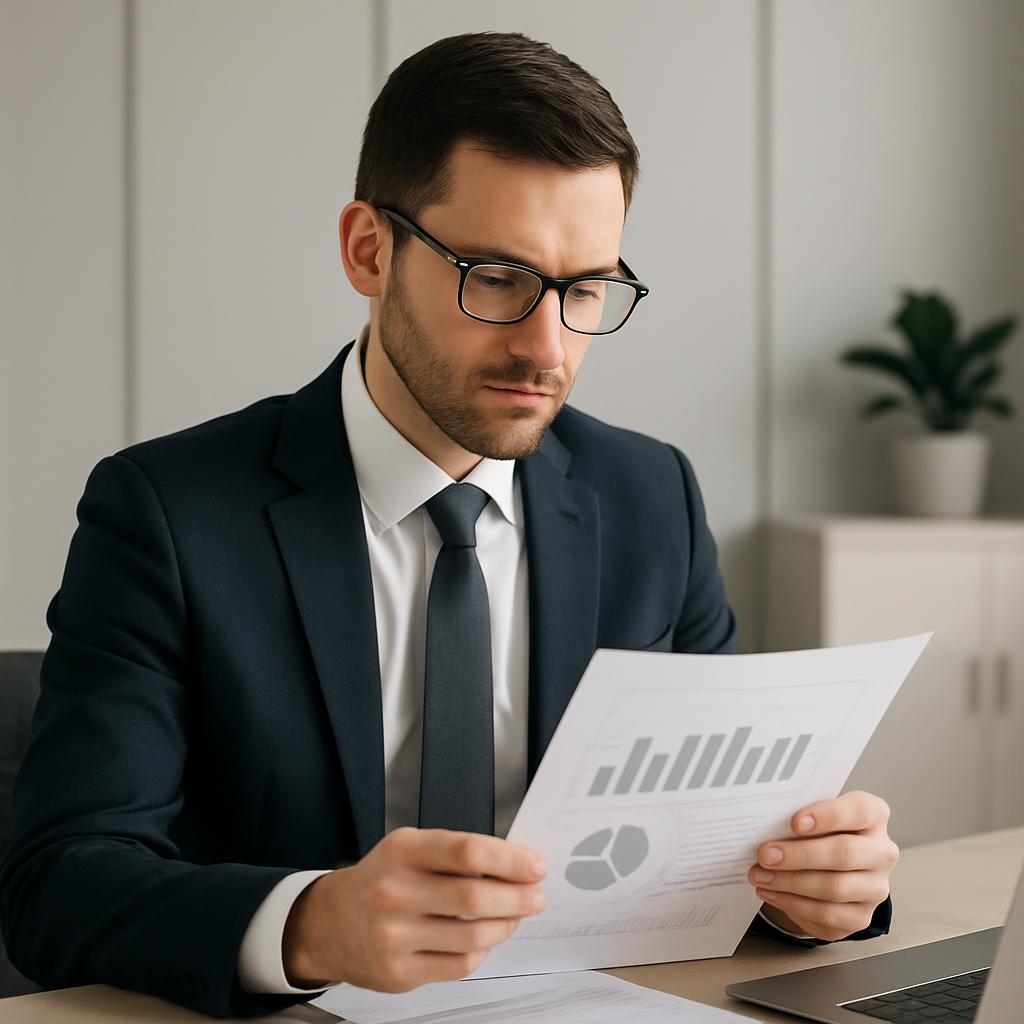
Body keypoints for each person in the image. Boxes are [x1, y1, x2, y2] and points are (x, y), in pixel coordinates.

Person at [0, 31, 898, 1020]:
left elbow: (710, 847)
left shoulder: (651, 498)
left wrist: (812, 893)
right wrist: (309, 923)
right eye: (499, 278)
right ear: (368, 250)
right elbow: (56, 885)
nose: (547, 345)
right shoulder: (166, 514)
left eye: (586, 287)